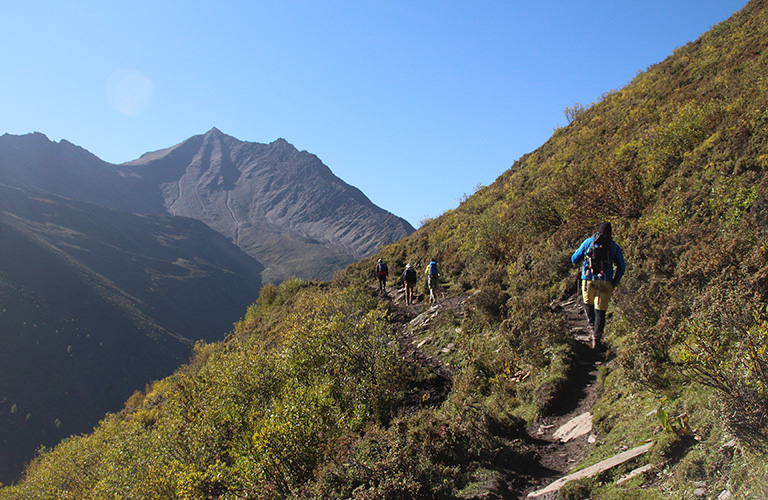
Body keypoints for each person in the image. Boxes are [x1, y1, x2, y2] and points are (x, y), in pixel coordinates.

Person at [571, 222, 626, 350]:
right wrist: (614, 282)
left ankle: (591, 327)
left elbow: (574, 259)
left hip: (588, 280)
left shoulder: (588, 242)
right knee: (600, 311)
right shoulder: (613, 246)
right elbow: (621, 266)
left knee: (588, 304)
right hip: (605, 281)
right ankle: (597, 339)